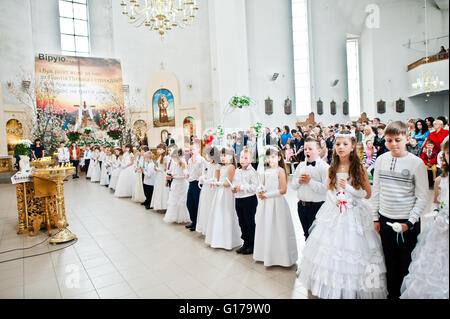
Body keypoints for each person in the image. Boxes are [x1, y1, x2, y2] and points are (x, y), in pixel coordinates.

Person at [298, 130, 387, 299]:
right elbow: (330, 188)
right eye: (338, 144)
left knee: (353, 249)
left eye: (345, 144)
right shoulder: (333, 166)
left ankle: (353, 288)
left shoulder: (358, 167)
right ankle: (330, 284)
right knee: (329, 249)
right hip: (335, 210)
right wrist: (336, 200)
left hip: (354, 211)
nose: (341, 147)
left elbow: (366, 194)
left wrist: (348, 189)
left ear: (353, 146)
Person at [371, 121, 428, 299]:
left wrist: (410, 222)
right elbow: (377, 190)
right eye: (389, 140)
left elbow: (422, 196)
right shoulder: (381, 160)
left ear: (407, 138)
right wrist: (375, 218)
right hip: (385, 219)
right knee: (389, 261)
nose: (393, 144)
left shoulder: (416, 163)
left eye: (397, 139)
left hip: (406, 222)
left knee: (406, 263)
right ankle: (392, 294)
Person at [400, 138, 449, 299]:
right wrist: (437, 215)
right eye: (448, 153)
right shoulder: (441, 180)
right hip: (441, 230)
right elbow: (435, 203)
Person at [253, 145, 297, 267]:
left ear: (278, 157)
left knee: (279, 229)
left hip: (277, 202)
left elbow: (283, 190)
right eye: (268, 158)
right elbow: (265, 186)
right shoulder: (267, 171)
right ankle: (267, 255)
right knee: (267, 227)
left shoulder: (280, 171)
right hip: (266, 204)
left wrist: (267, 195)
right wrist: (261, 191)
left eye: (273, 157)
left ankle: (282, 258)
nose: (270, 160)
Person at [291, 137, 328, 243]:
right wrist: (299, 181)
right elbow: (293, 186)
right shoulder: (300, 166)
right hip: (301, 206)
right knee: (306, 235)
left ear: (319, 151)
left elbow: (325, 189)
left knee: (317, 238)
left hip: (317, 207)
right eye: (305, 149)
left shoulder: (324, 167)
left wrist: (310, 181)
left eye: (310, 149)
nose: (307, 151)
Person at [204, 147, 242, 250]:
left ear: (230, 156)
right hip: (219, 192)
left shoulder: (231, 167)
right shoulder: (221, 167)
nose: (222, 157)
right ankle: (218, 239)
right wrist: (213, 182)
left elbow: (227, 183)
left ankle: (228, 241)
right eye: (221, 155)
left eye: (224, 155)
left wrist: (218, 183)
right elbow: (218, 179)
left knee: (226, 214)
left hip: (226, 193)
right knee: (218, 214)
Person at [231, 148, 259, 255]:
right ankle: (246, 242)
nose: (243, 159)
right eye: (242, 157)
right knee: (242, 222)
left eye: (246, 158)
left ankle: (252, 244)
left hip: (249, 200)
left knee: (249, 222)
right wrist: (233, 188)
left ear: (251, 159)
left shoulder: (252, 172)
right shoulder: (237, 171)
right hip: (238, 199)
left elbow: (255, 186)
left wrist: (241, 187)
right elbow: (234, 183)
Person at [196, 146, 221, 235]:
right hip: (206, 189)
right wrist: (203, 177)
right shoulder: (209, 164)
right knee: (205, 207)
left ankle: (212, 229)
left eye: (206, 154)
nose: (205, 156)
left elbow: (216, 179)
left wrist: (207, 180)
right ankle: (206, 227)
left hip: (212, 189)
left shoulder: (217, 165)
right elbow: (207, 174)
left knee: (211, 208)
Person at [163, 148, 191, 224]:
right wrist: (170, 176)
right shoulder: (174, 163)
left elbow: (185, 176)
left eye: (173, 158)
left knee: (181, 201)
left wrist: (173, 177)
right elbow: (172, 172)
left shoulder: (183, 163)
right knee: (174, 200)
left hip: (181, 184)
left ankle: (182, 217)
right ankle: (174, 217)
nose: (173, 159)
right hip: (175, 184)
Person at [184, 142, 205, 231]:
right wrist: (187, 174)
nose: (192, 151)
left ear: (198, 149)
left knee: (197, 204)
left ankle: (197, 223)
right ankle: (193, 221)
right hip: (191, 183)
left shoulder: (201, 160)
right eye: (190, 149)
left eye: (193, 149)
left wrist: (201, 178)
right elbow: (188, 170)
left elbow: (204, 173)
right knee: (189, 203)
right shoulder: (189, 160)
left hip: (197, 184)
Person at [150, 144, 170, 212]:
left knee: (163, 190)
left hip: (163, 175)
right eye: (157, 149)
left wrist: (158, 169)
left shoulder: (165, 157)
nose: (158, 150)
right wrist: (156, 168)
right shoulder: (160, 157)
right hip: (159, 176)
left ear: (164, 150)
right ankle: (159, 205)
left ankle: (164, 206)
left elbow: (166, 168)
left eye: (160, 149)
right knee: (158, 190)